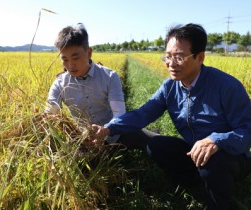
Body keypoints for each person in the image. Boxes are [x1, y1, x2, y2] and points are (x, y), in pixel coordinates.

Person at [92, 23, 251, 210]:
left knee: (212, 159)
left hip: (231, 157)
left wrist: (216, 141)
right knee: (156, 145)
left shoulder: (227, 87)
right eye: (168, 56)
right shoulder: (170, 87)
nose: (171, 63)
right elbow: (143, 113)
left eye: (179, 57)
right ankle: (194, 180)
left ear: (200, 57)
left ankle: (218, 203)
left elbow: (246, 131)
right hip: (194, 150)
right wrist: (108, 128)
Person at [45, 23, 153, 149]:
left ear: (89, 52)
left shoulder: (109, 76)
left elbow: (119, 113)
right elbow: (50, 113)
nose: (70, 65)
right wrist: (45, 118)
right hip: (85, 141)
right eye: (65, 59)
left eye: (75, 58)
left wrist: (105, 131)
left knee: (155, 142)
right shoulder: (60, 84)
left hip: (115, 134)